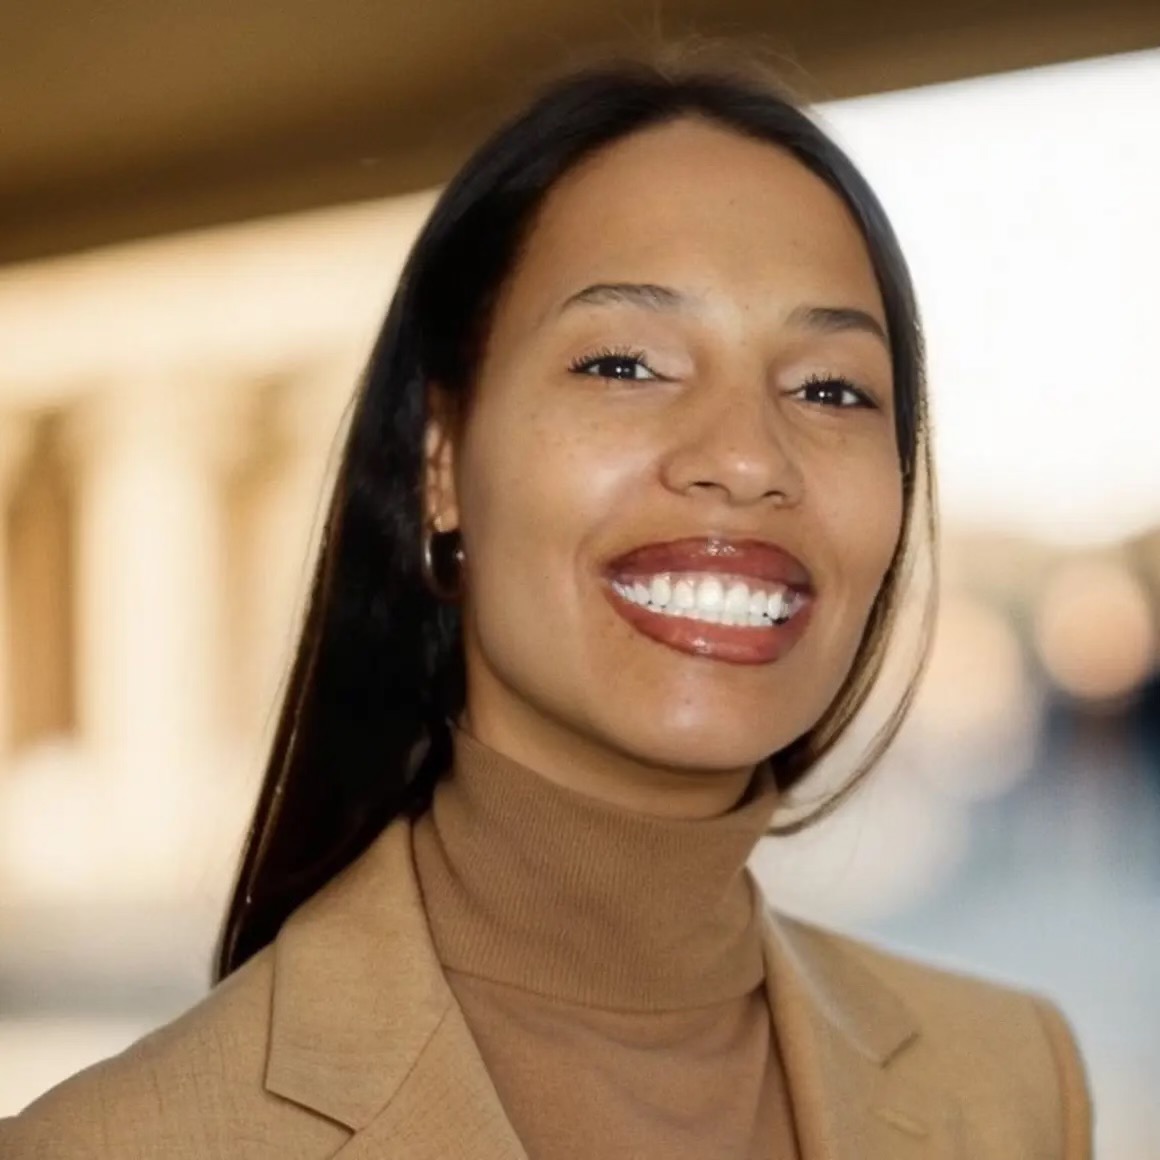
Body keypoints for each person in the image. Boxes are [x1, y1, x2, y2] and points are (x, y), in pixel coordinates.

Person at [0, 56, 1092, 1159]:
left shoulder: (1014, 1086)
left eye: (829, 388)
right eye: (625, 365)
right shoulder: (114, 1144)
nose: (746, 456)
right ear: (439, 462)